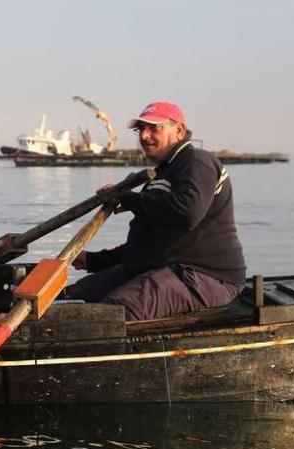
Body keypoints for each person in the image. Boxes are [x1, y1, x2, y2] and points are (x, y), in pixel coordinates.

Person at [64, 101, 246, 321]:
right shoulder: (161, 174)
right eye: (140, 129)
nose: (144, 135)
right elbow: (147, 244)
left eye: (154, 127)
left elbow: (187, 213)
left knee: (117, 311)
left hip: (207, 276)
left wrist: (130, 199)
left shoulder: (196, 161)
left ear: (178, 130)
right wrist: (93, 260)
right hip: (165, 267)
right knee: (72, 297)